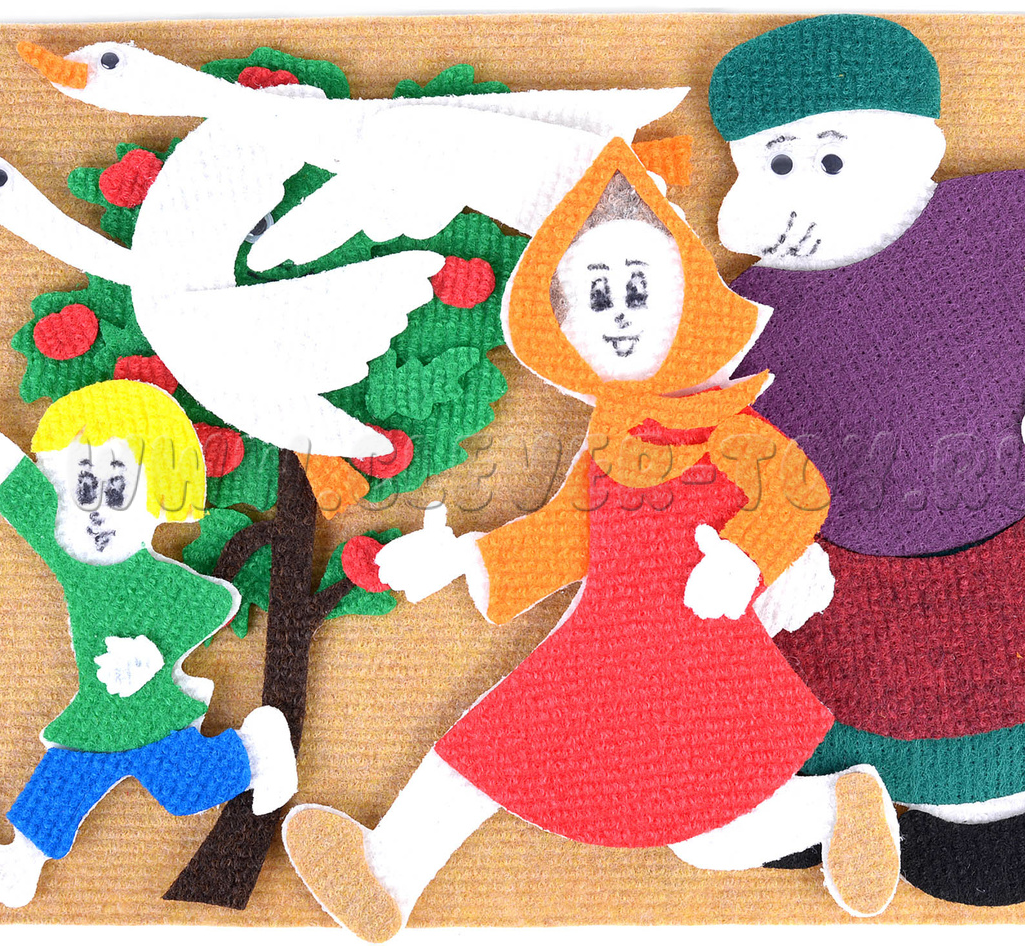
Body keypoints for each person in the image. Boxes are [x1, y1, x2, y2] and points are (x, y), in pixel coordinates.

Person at [280, 140, 901, 941]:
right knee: (669, 821)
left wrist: (745, 557)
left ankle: (833, 808)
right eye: (597, 296)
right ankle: (388, 871)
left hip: (694, 645)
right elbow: (566, 534)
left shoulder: (725, 424)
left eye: (639, 289)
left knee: (542, 766)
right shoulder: (607, 442)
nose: (621, 315)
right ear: (566, 322)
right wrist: (457, 557)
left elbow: (796, 489)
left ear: (685, 301)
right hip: (615, 637)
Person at [709, 14, 1025, 905]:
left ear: (909, 146)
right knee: (874, 709)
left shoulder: (977, 219)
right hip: (846, 571)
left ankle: (860, 808)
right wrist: (764, 544)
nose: (803, 185)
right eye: (776, 163)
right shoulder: (742, 312)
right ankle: (834, 807)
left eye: (829, 156)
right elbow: (704, 423)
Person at [0, 379, 298, 907]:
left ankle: (257, 748)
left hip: (151, 717)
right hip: (100, 714)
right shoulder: (74, 560)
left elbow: (213, 602)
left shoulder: (156, 576)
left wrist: (152, 652)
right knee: (72, 783)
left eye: (117, 488)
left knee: (181, 790)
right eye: (82, 488)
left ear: (159, 490)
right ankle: (17, 863)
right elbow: (35, 503)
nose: (97, 510)